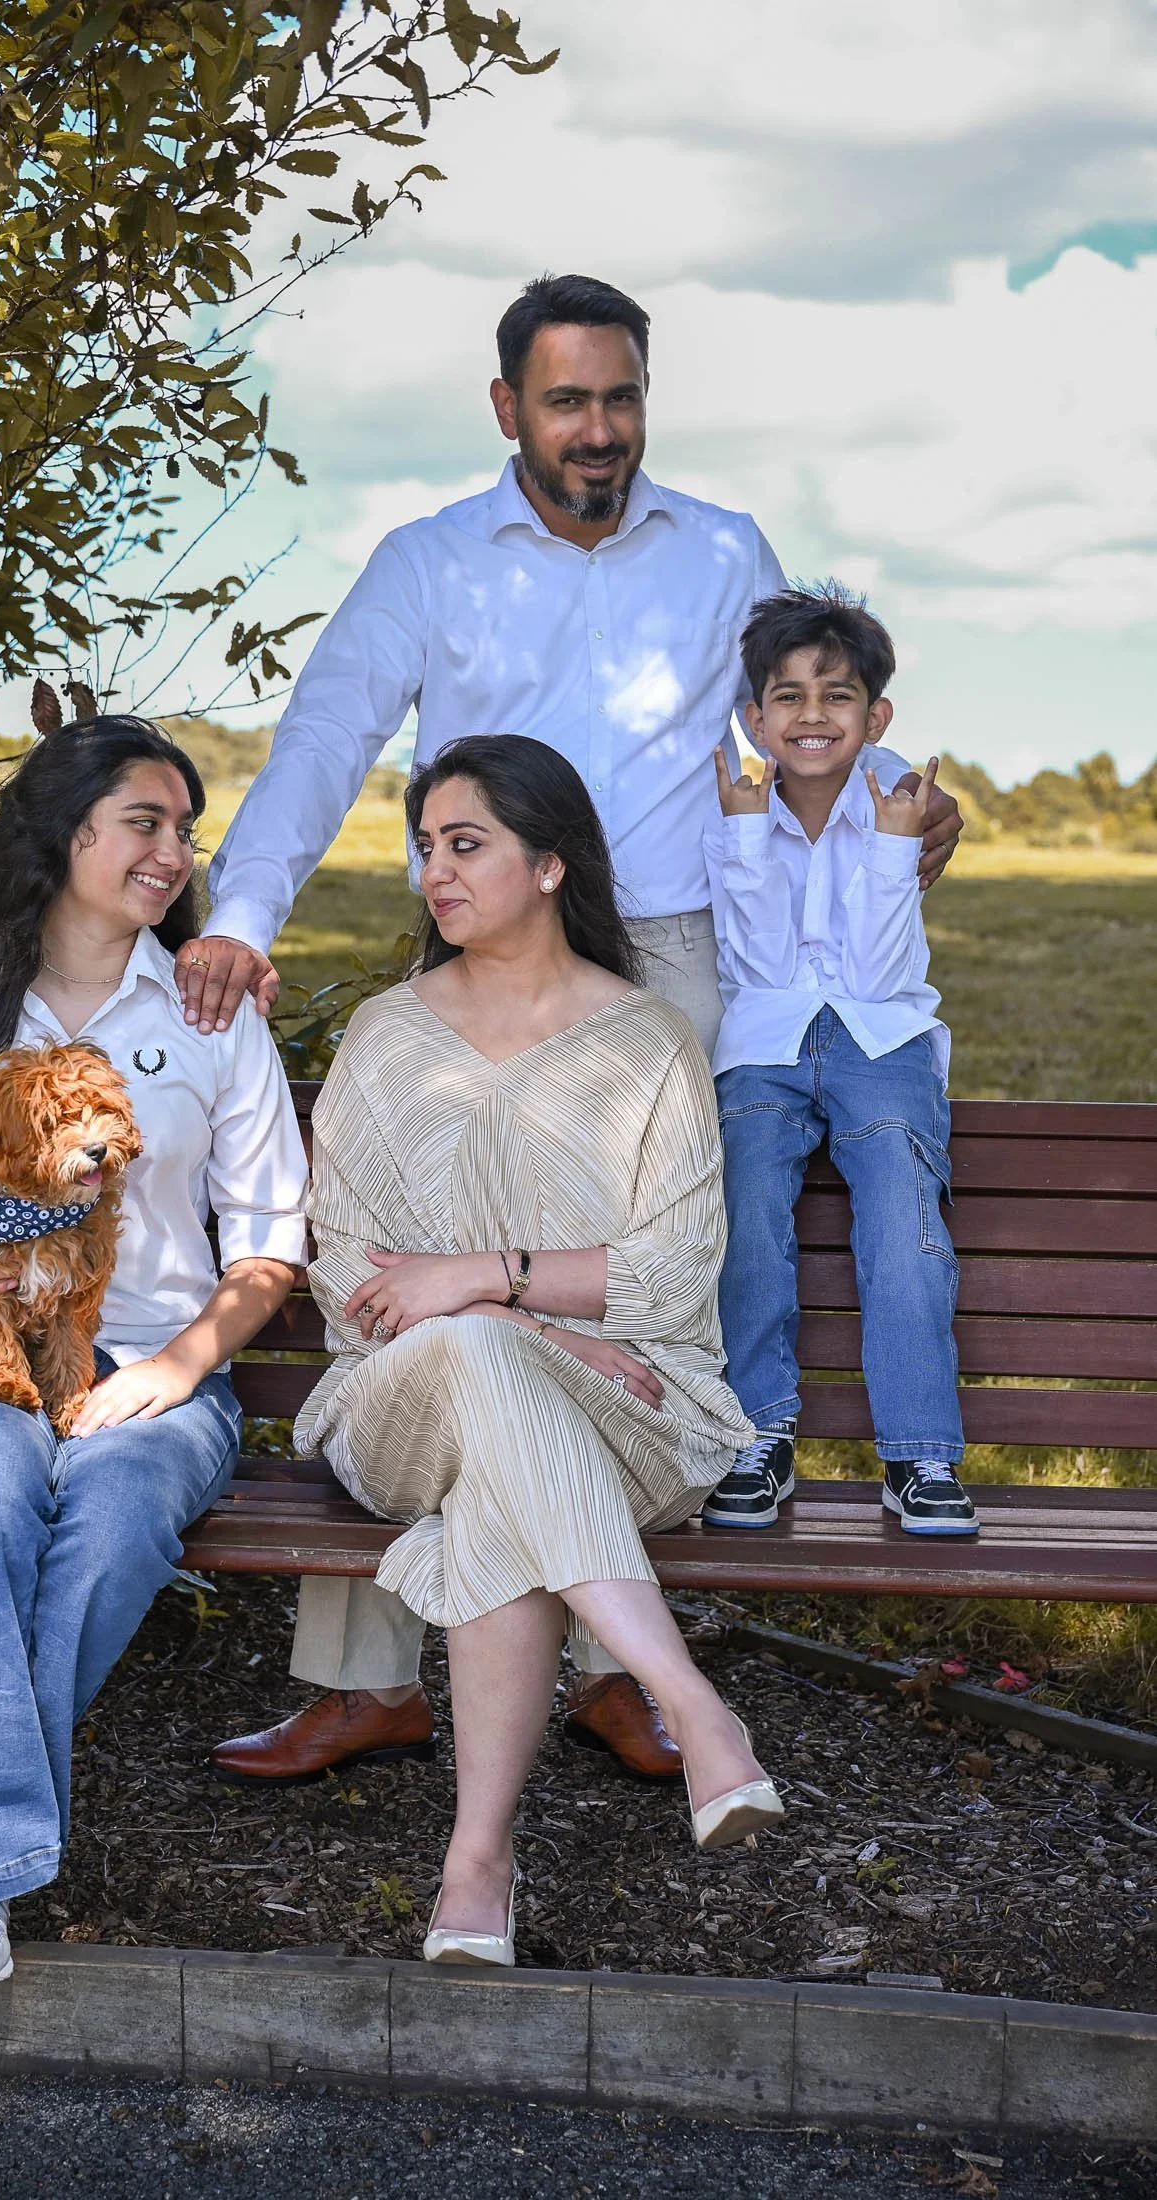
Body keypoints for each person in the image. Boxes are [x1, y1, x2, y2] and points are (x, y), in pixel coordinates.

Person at [199, 271, 965, 1786]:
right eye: (565, 401)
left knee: (632, 1300)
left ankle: (618, 1664)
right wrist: (241, 917)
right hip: (479, 931)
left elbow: (810, 697)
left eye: (619, 398)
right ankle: (367, 1677)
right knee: (425, 1283)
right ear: (506, 411)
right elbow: (323, 736)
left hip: (675, 952)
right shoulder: (428, 563)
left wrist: (905, 819)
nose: (596, 430)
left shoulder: (721, 548)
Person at [0, 718, 309, 1989]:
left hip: (154, 1359)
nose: (173, 851)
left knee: (118, 1502)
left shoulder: (208, 1010)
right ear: (68, 829)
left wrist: (181, 1367)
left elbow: (268, 1243)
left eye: (185, 830)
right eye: (146, 821)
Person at [293, 733, 783, 1965]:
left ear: (553, 864)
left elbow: (673, 1278)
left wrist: (473, 1277)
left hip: (635, 1413)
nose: (434, 875)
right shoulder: (386, 1036)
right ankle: (692, 1705)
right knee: (481, 1364)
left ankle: (478, 1863)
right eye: (425, 849)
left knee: (495, 1482)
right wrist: (510, 1312)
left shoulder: (650, 1041)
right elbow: (348, 1276)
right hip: (399, 1404)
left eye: (466, 845)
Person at [702, 586, 976, 1537]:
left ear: (875, 716)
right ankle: (756, 1435)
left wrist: (893, 855)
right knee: (744, 1214)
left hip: (882, 1040)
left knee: (902, 1227)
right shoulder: (734, 807)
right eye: (787, 697)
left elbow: (873, 971)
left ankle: (919, 1454)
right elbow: (760, 970)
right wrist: (743, 837)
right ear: (754, 716)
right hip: (765, 1044)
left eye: (837, 696)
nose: (811, 716)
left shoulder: (893, 803)